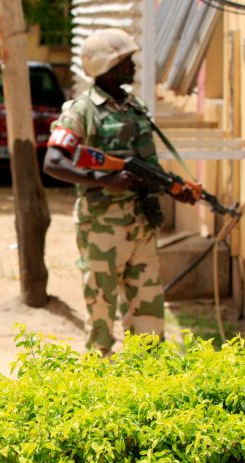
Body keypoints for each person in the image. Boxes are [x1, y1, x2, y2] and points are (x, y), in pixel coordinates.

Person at [43, 29, 195, 357]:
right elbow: (53, 163)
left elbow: (144, 164)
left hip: (141, 221)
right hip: (102, 226)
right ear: (107, 67)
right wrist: (103, 179)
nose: (134, 66)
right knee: (101, 313)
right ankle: (100, 384)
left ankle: (146, 381)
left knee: (149, 314)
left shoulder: (134, 107)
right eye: (126, 61)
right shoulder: (81, 110)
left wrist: (173, 188)